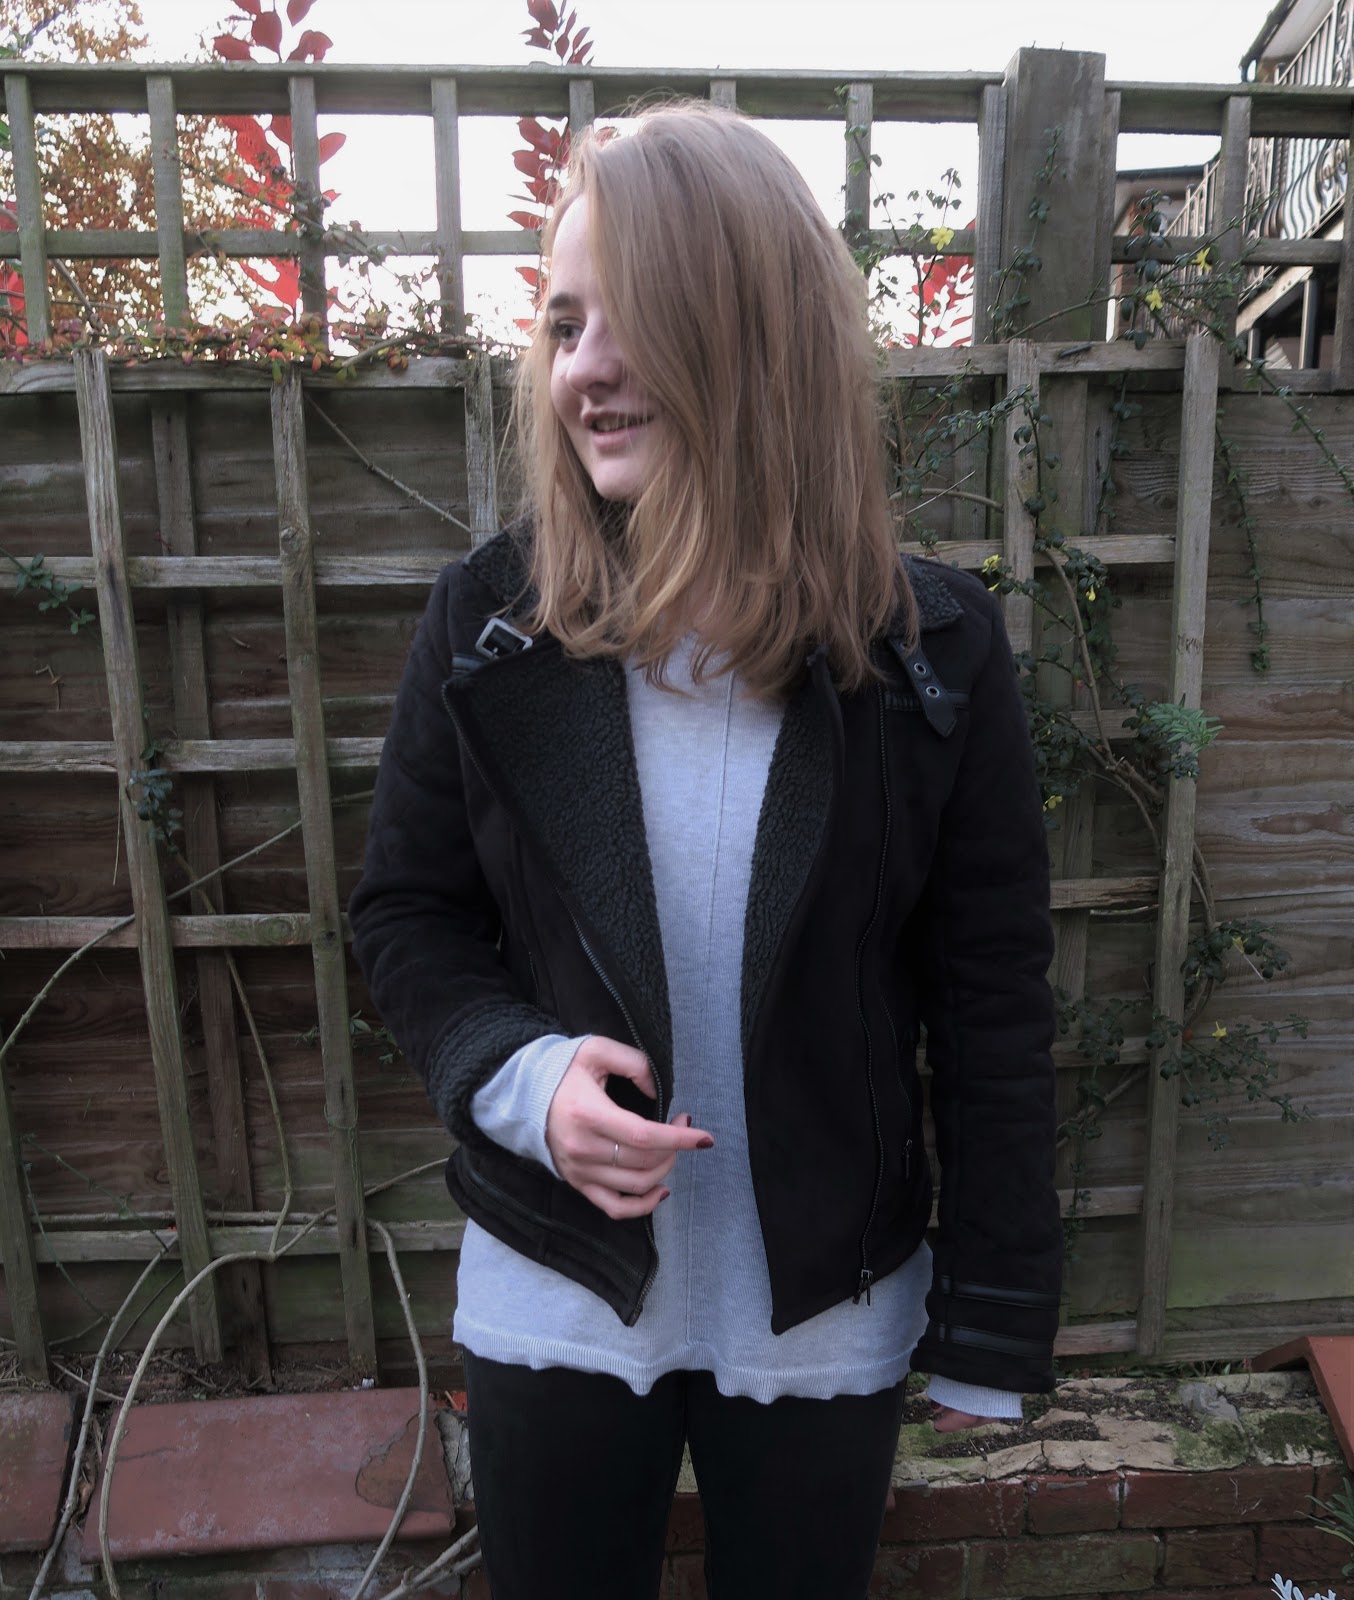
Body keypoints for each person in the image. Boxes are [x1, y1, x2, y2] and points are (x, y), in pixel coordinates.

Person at [348, 100, 1061, 1600]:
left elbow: (990, 996)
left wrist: (994, 1315)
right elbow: (408, 916)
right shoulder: (488, 625)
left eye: (633, 316)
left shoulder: (931, 652)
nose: (582, 370)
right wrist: (525, 1080)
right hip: (556, 1290)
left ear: (759, 332)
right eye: (562, 325)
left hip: (825, 1309)